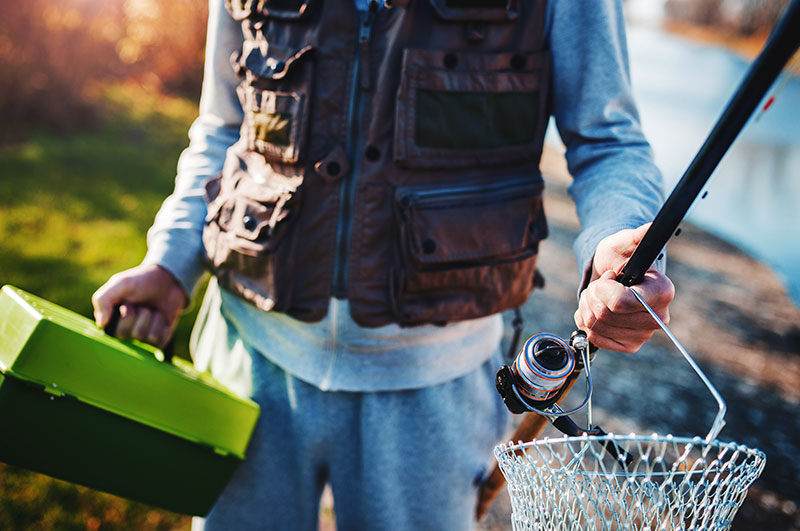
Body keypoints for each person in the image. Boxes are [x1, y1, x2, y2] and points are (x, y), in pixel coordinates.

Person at [92, 0, 675, 529]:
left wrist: (615, 245)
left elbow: (608, 142)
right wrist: (170, 264)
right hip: (247, 358)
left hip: (432, 391)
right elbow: (224, 127)